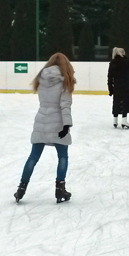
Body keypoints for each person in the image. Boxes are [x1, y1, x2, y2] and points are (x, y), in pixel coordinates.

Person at [14, 53, 75, 204]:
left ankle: (21, 188)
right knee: (62, 156)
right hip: (58, 123)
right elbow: (65, 105)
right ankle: (60, 189)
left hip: (41, 120)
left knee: (33, 157)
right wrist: (66, 125)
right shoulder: (65, 81)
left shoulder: (41, 79)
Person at [107, 47, 129, 128]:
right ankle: (124, 121)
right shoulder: (126, 62)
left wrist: (110, 88)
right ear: (122, 53)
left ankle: (115, 120)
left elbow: (109, 77)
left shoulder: (112, 62)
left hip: (116, 86)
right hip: (126, 85)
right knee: (125, 102)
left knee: (116, 102)